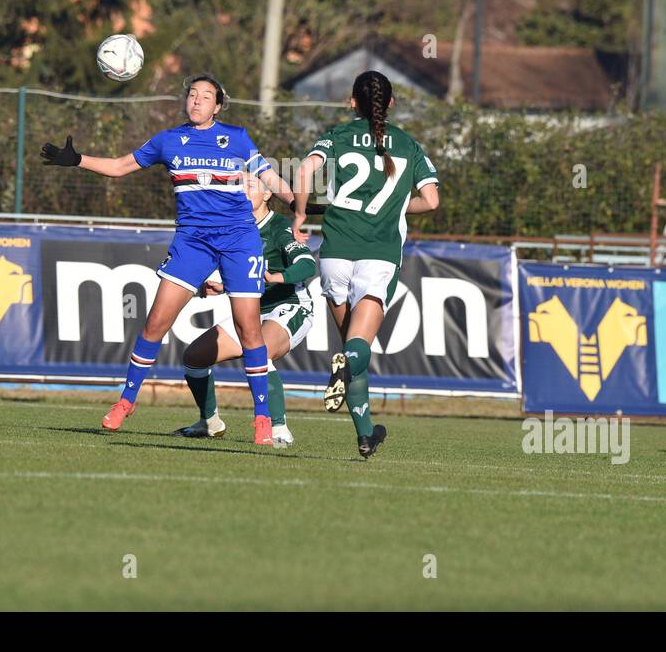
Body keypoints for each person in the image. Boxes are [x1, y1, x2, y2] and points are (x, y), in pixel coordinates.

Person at [41, 74, 294, 446]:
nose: (197, 101)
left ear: (218, 106)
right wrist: (77, 159)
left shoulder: (236, 137)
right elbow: (120, 167)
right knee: (155, 323)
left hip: (239, 240)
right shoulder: (168, 140)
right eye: (192, 95)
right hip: (192, 241)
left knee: (248, 329)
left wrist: (301, 206)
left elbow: (272, 179)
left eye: (206, 97)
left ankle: (261, 417)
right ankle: (126, 402)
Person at [290, 70, 440, 458]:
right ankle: (346, 367)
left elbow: (304, 170)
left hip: (336, 252)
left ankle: (365, 434)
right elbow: (433, 200)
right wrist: (397, 206)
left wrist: (300, 215)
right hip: (379, 256)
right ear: (390, 104)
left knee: (351, 349)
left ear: (351, 102)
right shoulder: (409, 144)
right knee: (358, 349)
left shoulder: (338, 135)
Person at [175, 175, 316, 448]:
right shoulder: (233, 227)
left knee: (259, 353)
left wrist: (276, 277)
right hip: (252, 310)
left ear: (267, 195)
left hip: (289, 305)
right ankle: (209, 423)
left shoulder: (280, 227)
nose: (240, 192)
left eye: (249, 187)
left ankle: (278, 429)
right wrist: (220, 285)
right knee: (194, 357)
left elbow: (307, 264)